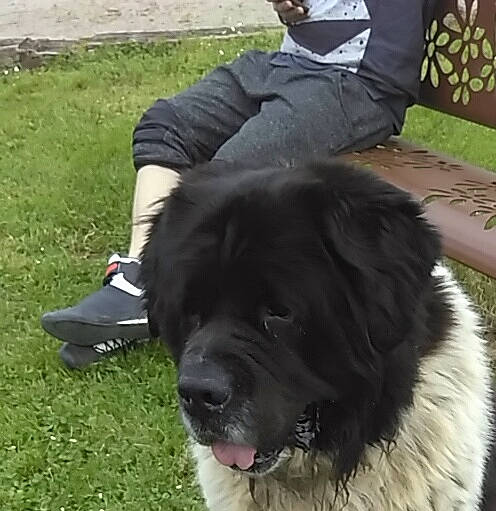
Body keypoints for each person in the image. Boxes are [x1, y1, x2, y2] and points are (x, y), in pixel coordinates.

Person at [41, 0, 433, 369]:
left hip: (359, 84)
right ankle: (139, 275)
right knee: (165, 126)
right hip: (290, 61)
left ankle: (152, 299)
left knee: (232, 173)